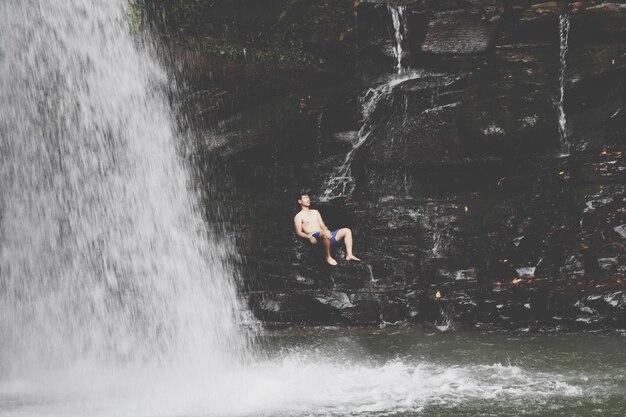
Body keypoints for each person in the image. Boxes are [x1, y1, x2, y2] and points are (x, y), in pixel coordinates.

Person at [293, 194, 360, 266]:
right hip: (314, 235)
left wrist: (327, 231)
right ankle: (328, 256)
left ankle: (349, 255)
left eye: (308, 197)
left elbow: (322, 225)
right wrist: (309, 237)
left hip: (324, 234)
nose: (308, 199)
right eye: (305, 197)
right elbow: (298, 232)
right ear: (300, 201)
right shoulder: (298, 216)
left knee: (347, 230)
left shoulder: (315, 212)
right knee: (325, 234)